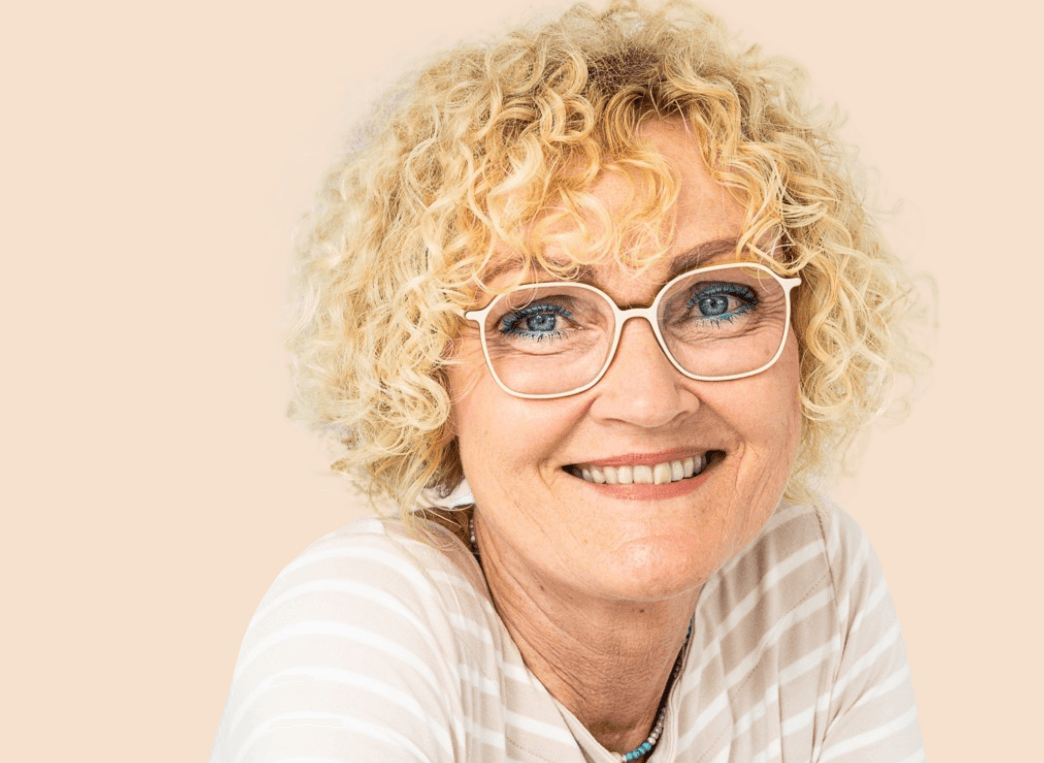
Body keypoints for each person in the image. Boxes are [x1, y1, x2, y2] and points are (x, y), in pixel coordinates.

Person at [212, 1, 929, 760]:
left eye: (716, 301)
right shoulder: (356, 632)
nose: (648, 399)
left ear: (808, 331)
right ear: (426, 373)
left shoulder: (809, 579)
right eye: (542, 317)